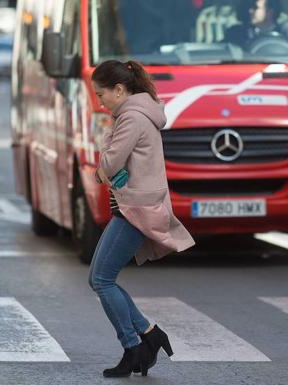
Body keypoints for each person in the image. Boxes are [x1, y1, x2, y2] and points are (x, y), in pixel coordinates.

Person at [89, 60, 195, 378]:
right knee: (101, 278)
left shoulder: (131, 118)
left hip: (134, 210)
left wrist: (103, 166)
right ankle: (148, 336)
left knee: (101, 280)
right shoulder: (137, 113)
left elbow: (109, 163)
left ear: (119, 90)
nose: (100, 101)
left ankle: (135, 345)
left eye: (101, 94)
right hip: (136, 206)